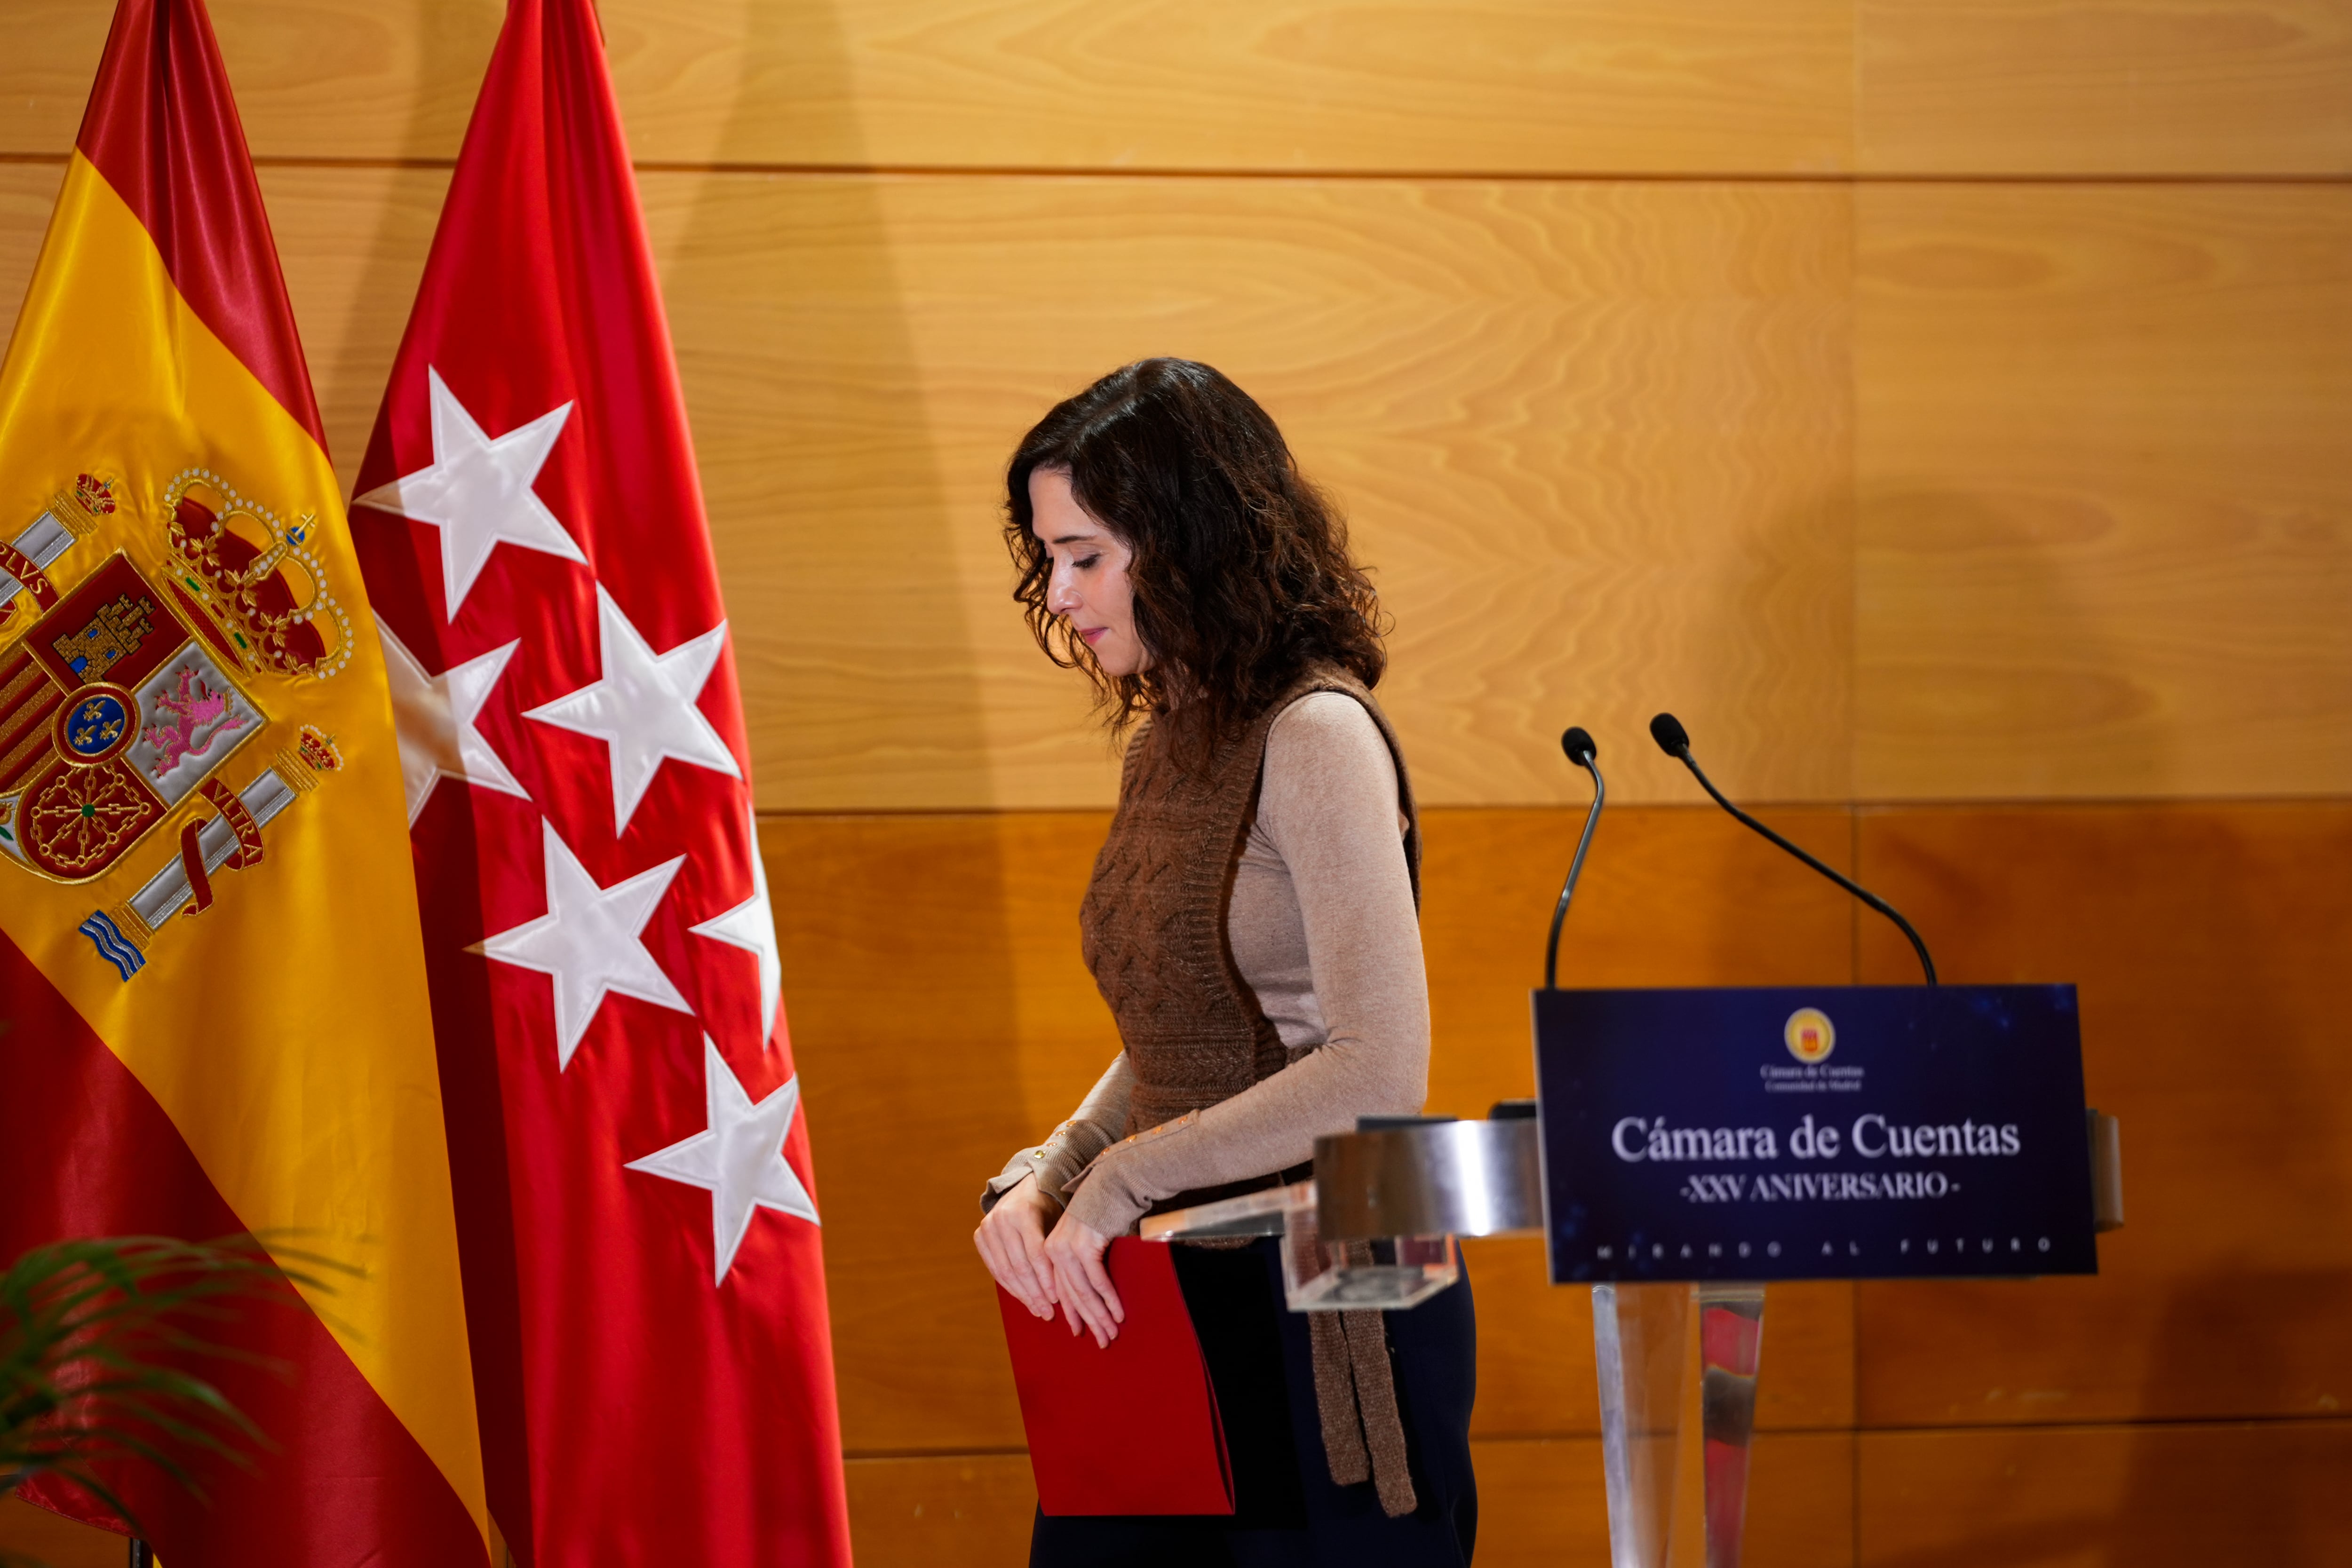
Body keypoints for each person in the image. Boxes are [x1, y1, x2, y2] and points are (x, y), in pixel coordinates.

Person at [972, 358, 1478, 1566]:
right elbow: (1175, 1036)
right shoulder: (1168, 733)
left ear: (1186, 541)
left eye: (1086, 553)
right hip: (1183, 1283)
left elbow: (1376, 1071)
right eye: (1050, 556)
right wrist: (1053, 1170)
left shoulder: (1316, 732)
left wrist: (1116, 1183)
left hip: (1330, 1298)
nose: (1061, 591)